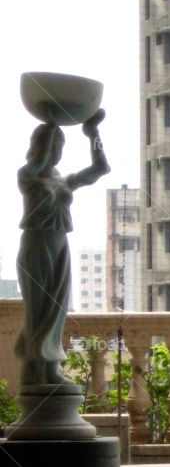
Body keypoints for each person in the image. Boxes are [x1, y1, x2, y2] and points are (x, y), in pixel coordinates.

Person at [15, 108, 109, 387]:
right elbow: (38, 163)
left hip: (60, 247)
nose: (57, 149)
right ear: (40, 145)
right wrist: (52, 123)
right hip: (36, 246)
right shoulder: (28, 176)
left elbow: (101, 169)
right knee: (39, 309)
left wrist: (93, 134)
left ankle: (47, 368)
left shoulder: (63, 180)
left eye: (60, 144)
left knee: (56, 308)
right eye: (53, 144)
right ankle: (38, 373)